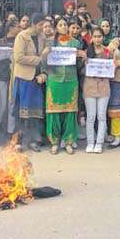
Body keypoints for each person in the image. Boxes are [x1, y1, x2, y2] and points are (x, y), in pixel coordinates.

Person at [40, 18, 84, 155]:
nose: (63, 26)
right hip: (54, 80)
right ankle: (54, 142)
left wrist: (82, 57)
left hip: (71, 80)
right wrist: (44, 54)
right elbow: (43, 64)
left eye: (65, 24)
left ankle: (69, 142)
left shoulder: (75, 43)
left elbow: (79, 66)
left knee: (70, 112)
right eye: (60, 24)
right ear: (56, 27)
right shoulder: (49, 43)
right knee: (53, 112)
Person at [12, 13, 46, 152]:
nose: (42, 27)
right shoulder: (22, 36)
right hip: (24, 78)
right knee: (21, 112)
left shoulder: (42, 37)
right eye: (40, 25)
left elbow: (46, 58)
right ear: (33, 24)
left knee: (35, 112)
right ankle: (17, 141)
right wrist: (38, 59)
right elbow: (18, 57)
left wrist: (44, 73)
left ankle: (33, 141)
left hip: (37, 78)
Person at [83, 27, 111, 154]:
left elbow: (113, 66)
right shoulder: (86, 52)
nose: (97, 39)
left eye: (99, 36)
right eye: (95, 36)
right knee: (90, 117)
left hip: (104, 87)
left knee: (101, 116)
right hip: (89, 87)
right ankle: (90, 142)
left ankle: (99, 143)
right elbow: (82, 70)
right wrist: (84, 62)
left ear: (103, 37)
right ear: (91, 38)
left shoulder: (108, 52)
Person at [0, 18, 20, 140]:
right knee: (1, 104)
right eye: (17, 27)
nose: (19, 29)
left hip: (15, 76)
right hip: (1, 76)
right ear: (11, 28)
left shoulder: (19, 41)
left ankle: (11, 130)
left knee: (12, 104)